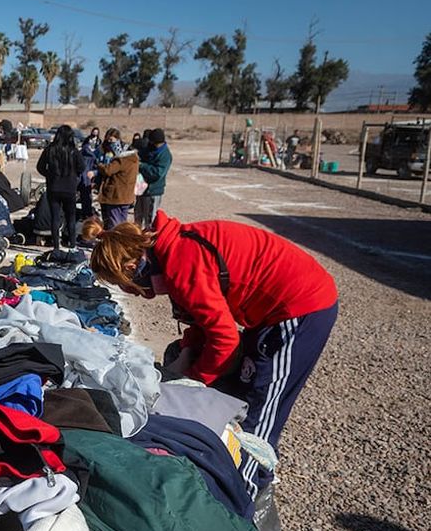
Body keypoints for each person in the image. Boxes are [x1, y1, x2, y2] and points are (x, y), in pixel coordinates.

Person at [82, 211, 338, 498]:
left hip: (299, 307)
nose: (134, 292)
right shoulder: (170, 250)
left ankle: (244, 492)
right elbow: (205, 320)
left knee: (261, 404)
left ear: (130, 266)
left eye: (124, 284)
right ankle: (236, 467)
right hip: (269, 311)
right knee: (243, 383)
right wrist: (187, 359)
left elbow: (225, 340)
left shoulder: (181, 262)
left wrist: (193, 383)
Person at [37, 125, 88, 249]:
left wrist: (50, 176)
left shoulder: (50, 149)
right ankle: (72, 245)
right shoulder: (73, 151)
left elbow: (40, 167)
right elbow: (82, 167)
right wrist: (73, 175)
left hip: (54, 187)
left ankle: (56, 246)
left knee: (55, 217)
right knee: (71, 216)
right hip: (69, 188)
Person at [95, 128, 139, 229]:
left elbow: (108, 170)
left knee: (114, 225)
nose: (110, 144)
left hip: (116, 196)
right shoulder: (134, 159)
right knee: (122, 224)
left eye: (112, 141)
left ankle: (115, 243)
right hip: (126, 196)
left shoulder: (122, 160)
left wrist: (100, 165)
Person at [135, 128, 173, 229]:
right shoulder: (149, 149)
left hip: (153, 190)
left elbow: (157, 173)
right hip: (141, 188)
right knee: (138, 216)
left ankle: (149, 241)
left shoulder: (165, 155)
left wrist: (142, 165)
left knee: (150, 219)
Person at [79, 127, 102, 218]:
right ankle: (86, 212)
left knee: (87, 194)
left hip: (90, 172)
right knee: (85, 194)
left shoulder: (99, 143)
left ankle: (87, 212)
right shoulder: (86, 143)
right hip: (85, 172)